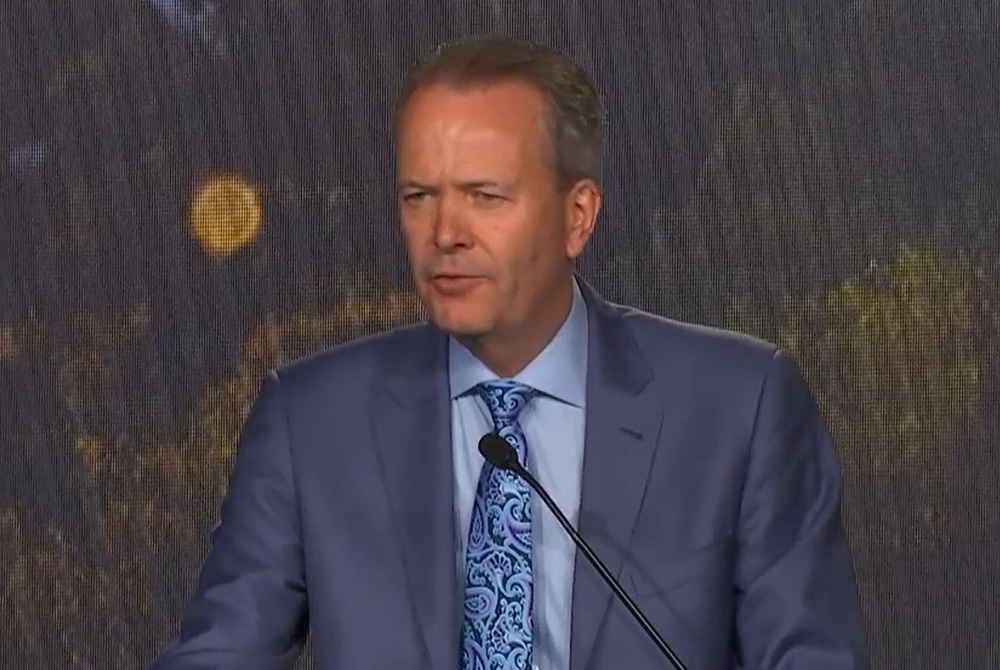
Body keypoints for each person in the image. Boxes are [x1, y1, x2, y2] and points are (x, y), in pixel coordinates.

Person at [153, 35, 868, 670]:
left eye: (485, 196)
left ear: (576, 215)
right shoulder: (311, 420)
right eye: (419, 196)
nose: (445, 233)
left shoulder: (737, 406)